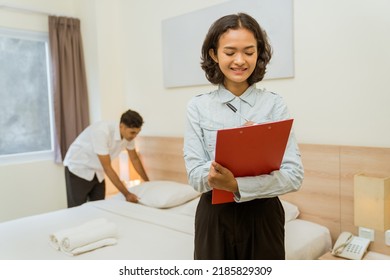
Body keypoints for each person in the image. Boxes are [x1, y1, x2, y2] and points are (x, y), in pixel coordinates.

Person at [183, 13, 304, 260]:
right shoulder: (198, 107)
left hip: (264, 215)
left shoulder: (274, 105)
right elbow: (195, 177)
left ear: (259, 54)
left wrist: (236, 185)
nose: (240, 60)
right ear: (214, 55)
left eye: (249, 52)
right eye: (230, 52)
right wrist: (229, 163)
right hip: (214, 217)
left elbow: (294, 176)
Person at [64, 109, 149, 208]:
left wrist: (148, 183)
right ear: (122, 126)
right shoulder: (102, 131)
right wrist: (127, 194)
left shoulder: (128, 137)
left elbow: (134, 159)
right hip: (78, 168)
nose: (134, 136)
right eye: (132, 132)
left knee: (99, 208)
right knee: (76, 210)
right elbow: (107, 167)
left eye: (137, 133)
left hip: (98, 171)